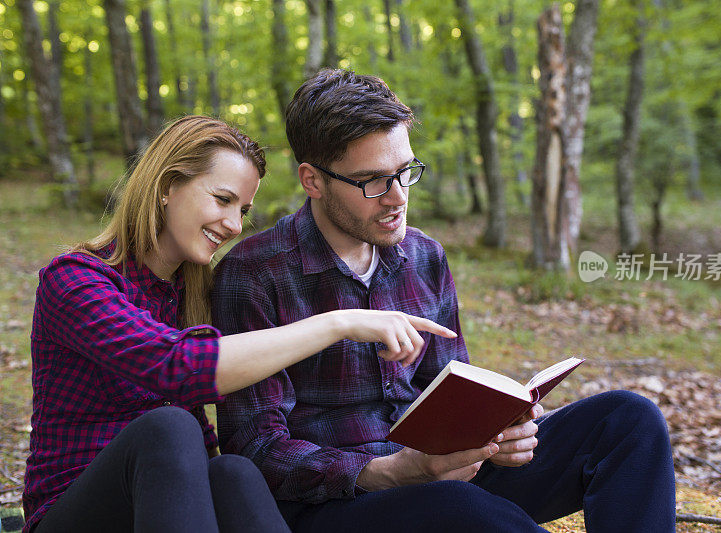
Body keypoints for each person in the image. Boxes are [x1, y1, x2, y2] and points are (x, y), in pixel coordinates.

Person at [211, 70, 677, 533]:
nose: (397, 197)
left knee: (628, 419)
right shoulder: (254, 273)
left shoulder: (423, 256)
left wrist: (499, 436)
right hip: (338, 504)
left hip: (442, 477)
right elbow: (255, 447)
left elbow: (450, 392)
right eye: (373, 181)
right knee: (460, 509)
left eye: (404, 173)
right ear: (313, 180)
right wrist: (389, 473)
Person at [23, 115, 453, 533]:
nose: (233, 225)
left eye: (243, 210)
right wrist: (338, 323)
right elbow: (179, 367)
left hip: (167, 503)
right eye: (222, 200)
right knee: (169, 428)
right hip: (77, 509)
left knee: (234, 472)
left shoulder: (191, 294)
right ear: (168, 187)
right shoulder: (75, 280)